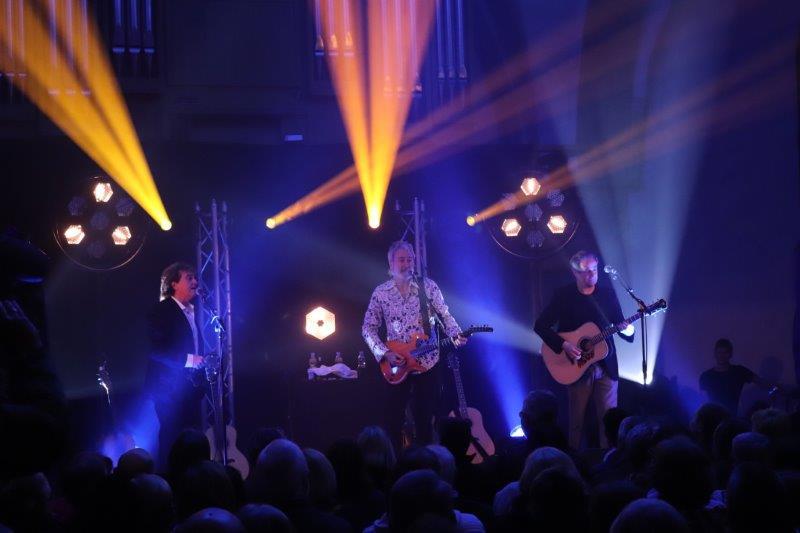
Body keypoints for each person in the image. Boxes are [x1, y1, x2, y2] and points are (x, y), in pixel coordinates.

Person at [362, 241, 466, 446]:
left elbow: (445, 315)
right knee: (393, 420)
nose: (407, 264)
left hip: (427, 362)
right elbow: (368, 328)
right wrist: (385, 353)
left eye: (410, 260)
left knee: (425, 419)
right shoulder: (381, 293)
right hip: (397, 364)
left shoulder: (427, 287)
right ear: (391, 263)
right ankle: (395, 460)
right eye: (402, 260)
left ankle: (426, 460)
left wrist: (456, 334)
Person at [534, 250, 633, 449]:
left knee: (609, 421)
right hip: (576, 365)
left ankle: (609, 458)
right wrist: (564, 345)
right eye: (586, 271)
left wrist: (628, 329)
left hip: (606, 364)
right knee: (576, 422)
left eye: (594, 269)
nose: (592, 274)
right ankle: (575, 459)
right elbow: (540, 325)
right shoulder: (563, 296)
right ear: (575, 273)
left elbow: (621, 326)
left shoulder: (607, 295)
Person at [145, 262, 206, 470]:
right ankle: (167, 479)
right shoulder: (161, 311)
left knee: (191, 439)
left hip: (191, 388)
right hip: (167, 389)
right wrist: (189, 360)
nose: (195, 281)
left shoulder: (193, 311)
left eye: (195, 277)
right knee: (172, 437)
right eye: (189, 278)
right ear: (174, 284)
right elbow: (156, 350)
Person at [699, 338, 766, 416]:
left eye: (725, 352)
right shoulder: (706, 376)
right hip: (713, 417)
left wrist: (774, 386)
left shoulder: (739, 371)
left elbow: (761, 382)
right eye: (719, 352)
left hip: (731, 417)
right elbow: (702, 399)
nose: (722, 356)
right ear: (715, 354)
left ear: (730, 354)